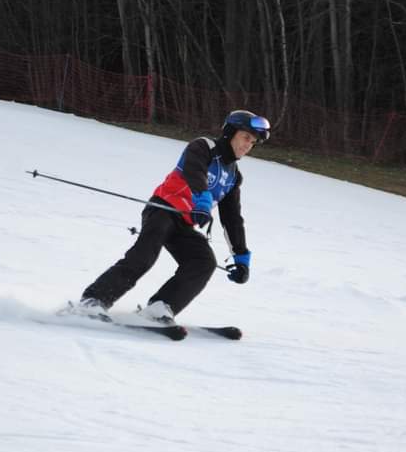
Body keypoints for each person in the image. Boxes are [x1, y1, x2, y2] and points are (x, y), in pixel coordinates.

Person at [74, 109, 270, 324]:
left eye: (252, 142)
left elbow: (232, 218)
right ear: (230, 132)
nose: (247, 145)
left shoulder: (233, 175)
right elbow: (194, 171)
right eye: (245, 137)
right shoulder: (204, 146)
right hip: (163, 209)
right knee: (143, 257)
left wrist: (241, 257)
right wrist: (202, 200)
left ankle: (160, 307)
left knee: (203, 261)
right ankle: (93, 300)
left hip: (184, 224)